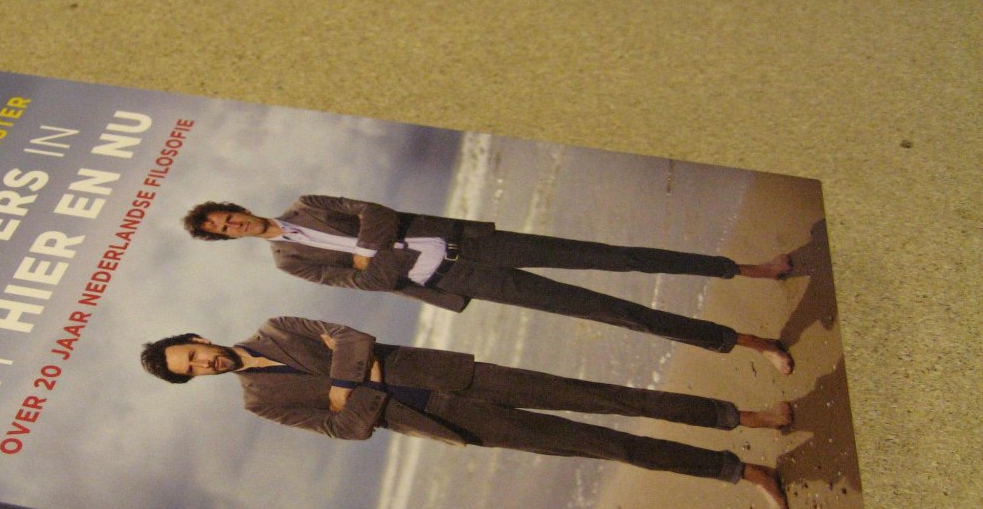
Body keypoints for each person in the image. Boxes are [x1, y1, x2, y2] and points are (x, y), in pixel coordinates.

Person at [140, 316, 793, 509]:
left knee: (612, 398)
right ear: (193, 380)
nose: (203, 363)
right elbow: (347, 429)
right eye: (191, 371)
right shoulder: (261, 402)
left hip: (462, 376)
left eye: (192, 353)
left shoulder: (280, 328)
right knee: (608, 446)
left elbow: (353, 337)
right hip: (451, 422)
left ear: (197, 338)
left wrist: (346, 386)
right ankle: (740, 470)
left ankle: (745, 416)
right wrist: (358, 381)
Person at [182, 196, 795, 374]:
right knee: (613, 312)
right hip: (456, 278)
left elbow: (377, 214)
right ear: (228, 240)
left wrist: (374, 254)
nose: (235, 225)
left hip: (470, 242)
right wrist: (381, 255)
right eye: (224, 230)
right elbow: (367, 285)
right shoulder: (289, 262)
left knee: (617, 257)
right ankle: (748, 343)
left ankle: (747, 269)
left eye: (228, 215)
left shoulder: (309, 205)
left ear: (237, 207)